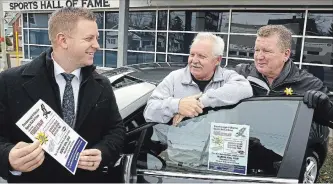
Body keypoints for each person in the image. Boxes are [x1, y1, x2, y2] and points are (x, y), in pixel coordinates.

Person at [0, 7, 125, 183]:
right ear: (63, 40)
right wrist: (8, 157)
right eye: (89, 38)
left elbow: (116, 131)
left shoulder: (102, 84)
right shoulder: (10, 82)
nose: (97, 45)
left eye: (96, 38)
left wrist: (102, 153)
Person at [235, 25, 333, 128]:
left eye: (267, 51)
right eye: (257, 50)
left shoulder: (308, 83)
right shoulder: (241, 75)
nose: (259, 57)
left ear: (286, 54)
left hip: (288, 143)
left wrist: (326, 108)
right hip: (248, 141)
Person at [144, 32, 253, 125]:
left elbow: (245, 89)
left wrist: (200, 102)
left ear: (217, 60)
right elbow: (149, 112)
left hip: (217, 146)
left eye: (201, 56)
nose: (194, 60)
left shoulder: (227, 77)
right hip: (180, 147)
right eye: (192, 54)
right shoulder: (174, 78)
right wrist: (177, 105)